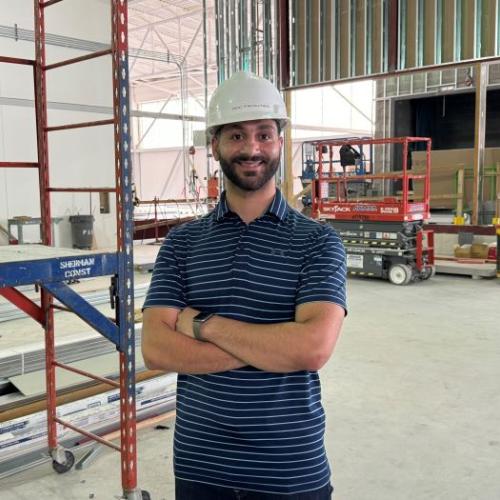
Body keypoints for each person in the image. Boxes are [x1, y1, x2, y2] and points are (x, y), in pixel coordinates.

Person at [142, 71, 347, 500]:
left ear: (279, 142)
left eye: (264, 134)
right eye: (236, 135)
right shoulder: (182, 243)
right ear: (215, 143)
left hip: (290, 469)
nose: (251, 148)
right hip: (201, 466)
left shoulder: (317, 241)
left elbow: (310, 350)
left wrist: (203, 325)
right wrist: (271, 348)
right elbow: (157, 350)